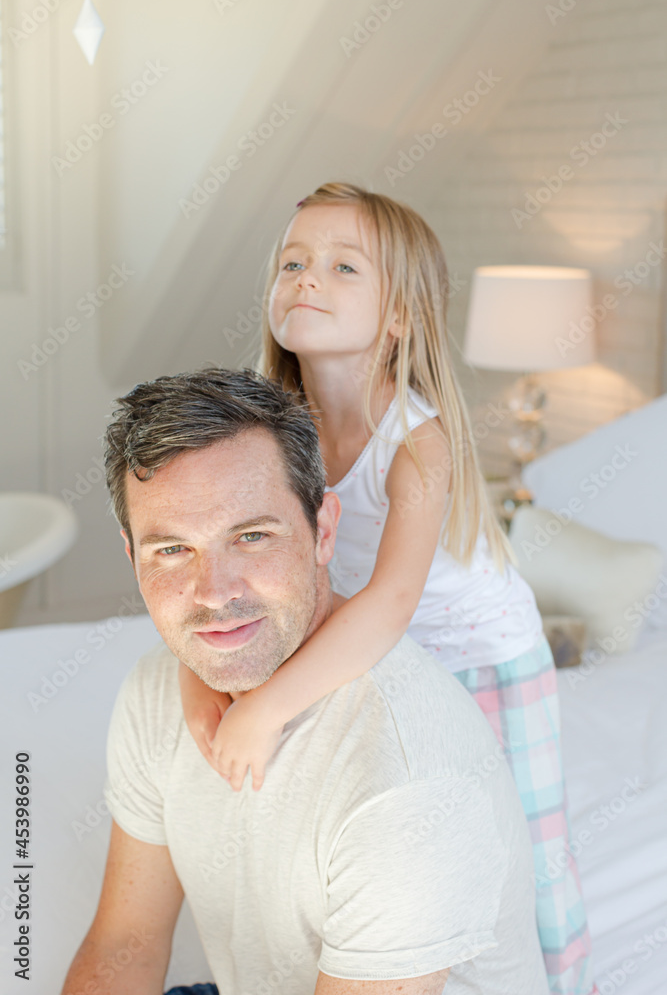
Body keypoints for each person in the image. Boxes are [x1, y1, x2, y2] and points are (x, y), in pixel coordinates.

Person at [180, 184, 596, 995]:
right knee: (389, 820)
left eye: (342, 267)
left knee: (522, 846)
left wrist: (264, 707)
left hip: (481, 659)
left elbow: (387, 604)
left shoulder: (418, 442)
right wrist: (205, 679)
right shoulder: (272, 431)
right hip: (383, 654)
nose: (307, 278)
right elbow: (236, 560)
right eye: (293, 262)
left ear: (399, 315)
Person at [60, 368, 548, 995]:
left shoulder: (407, 788)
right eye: (173, 550)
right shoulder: (160, 685)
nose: (215, 593)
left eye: (253, 536)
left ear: (323, 530)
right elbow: (125, 944)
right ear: (132, 556)